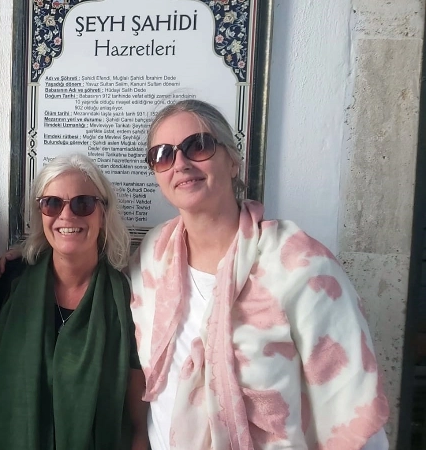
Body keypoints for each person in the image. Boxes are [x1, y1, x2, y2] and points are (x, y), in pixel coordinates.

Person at [128, 99, 389, 448]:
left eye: (198, 146)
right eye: (163, 155)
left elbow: (351, 405)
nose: (181, 164)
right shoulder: (152, 256)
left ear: (233, 161)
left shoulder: (301, 266)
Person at [0, 154, 148, 450]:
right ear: (40, 214)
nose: (66, 216)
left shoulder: (127, 296)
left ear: (103, 213)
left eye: (83, 204)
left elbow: (137, 406)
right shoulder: (10, 282)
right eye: (52, 204)